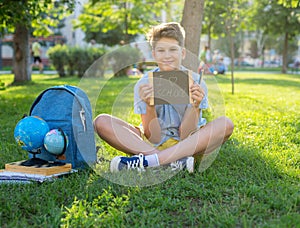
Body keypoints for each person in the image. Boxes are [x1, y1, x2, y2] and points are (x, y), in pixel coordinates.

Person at [94, 22, 234, 173]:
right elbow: (153, 137)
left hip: (188, 144)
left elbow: (186, 134)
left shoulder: (196, 82)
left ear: (183, 53)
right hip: (152, 144)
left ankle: (150, 161)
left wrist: (195, 106)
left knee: (226, 124)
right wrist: (149, 105)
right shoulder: (144, 84)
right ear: (154, 54)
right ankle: (173, 161)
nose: (167, 55)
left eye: (173, 49)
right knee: (101, 121)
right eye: (161, 50)